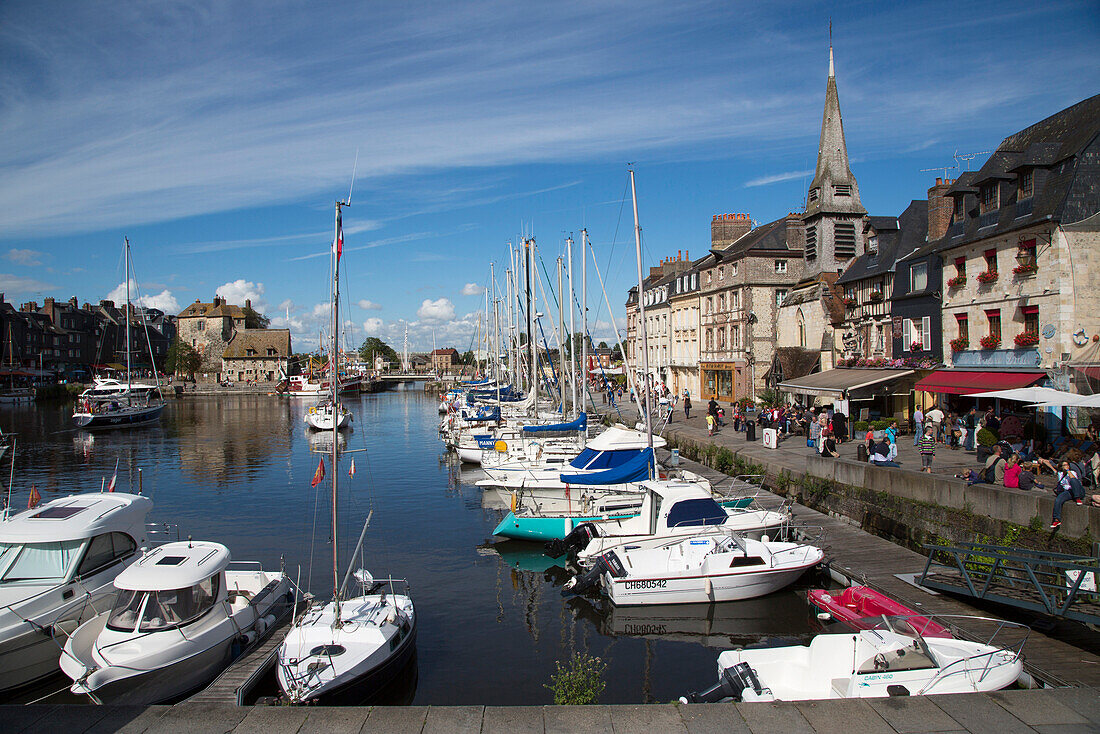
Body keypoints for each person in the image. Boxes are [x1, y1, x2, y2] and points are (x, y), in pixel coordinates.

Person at [1051, 460, 1086, 529]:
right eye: (1064, 465)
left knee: (1073, 480)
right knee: (1058, 499)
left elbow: (1073, 479)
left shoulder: (1072, 472)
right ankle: (1056, 519)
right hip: (1069, 491)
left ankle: (1077, 498)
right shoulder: (1060, 474)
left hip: (1078, 491)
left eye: (1067, 465)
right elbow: (1063, 485)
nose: (1065, 466)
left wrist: (1068, 471)